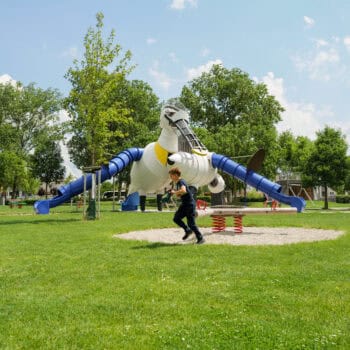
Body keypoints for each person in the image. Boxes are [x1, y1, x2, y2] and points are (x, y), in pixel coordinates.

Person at [168, 167, 205, 244]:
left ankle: (200, 238)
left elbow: (184, 190)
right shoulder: (178, 183)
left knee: (191, 223)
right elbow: (183, 193)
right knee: (176, 218)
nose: (170, 177)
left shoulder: (181, 181)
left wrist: (175, 192)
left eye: (171, 176)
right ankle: (187, 230)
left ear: (175, 175)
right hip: (185, 204)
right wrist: (177, 193)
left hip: (189, 204)